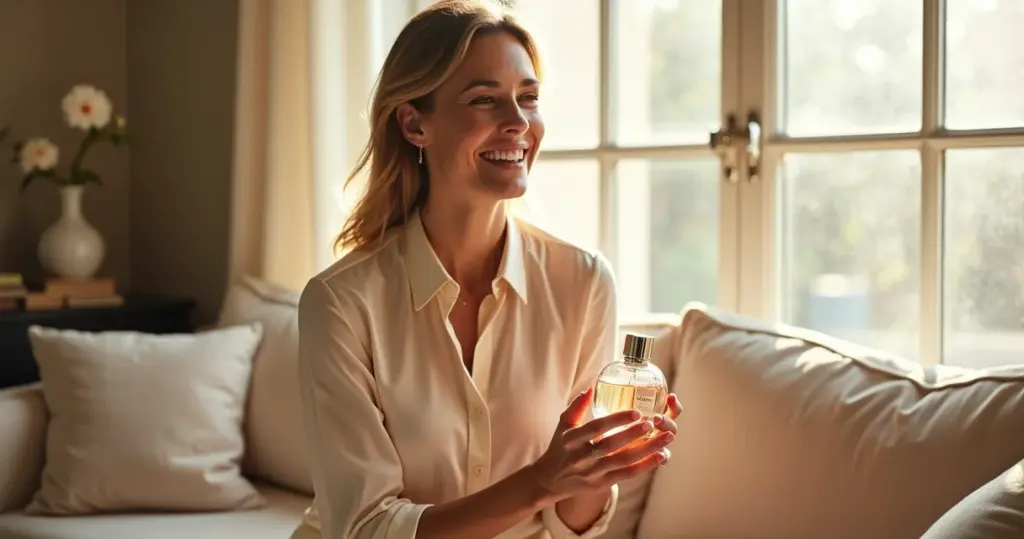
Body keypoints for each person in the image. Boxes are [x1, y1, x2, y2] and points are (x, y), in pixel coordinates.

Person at [291, 1, 682, 538]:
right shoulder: (340, 303)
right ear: (414, 124)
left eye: (528, 98)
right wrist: (544, 479)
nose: (518, 123)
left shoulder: (584, 282)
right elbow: (366, 528)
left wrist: (597, 468)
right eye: (485, 100)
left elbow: (570, 525)